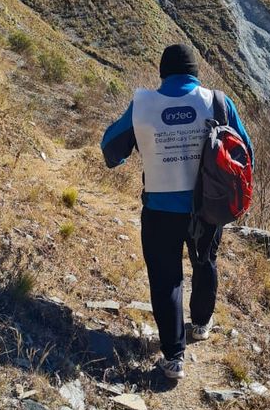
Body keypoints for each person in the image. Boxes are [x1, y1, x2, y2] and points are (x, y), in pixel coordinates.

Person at [101, 43, 253, 381]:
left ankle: (173, 358)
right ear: (195, 73)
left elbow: (111, 147)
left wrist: (133, 150)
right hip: (207, 207)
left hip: (160, 210)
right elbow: (246, 151)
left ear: (163, 73)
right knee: (205, 262)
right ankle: (200, 324)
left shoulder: (143, 105)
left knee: (166, 278)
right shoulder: (218, 102)